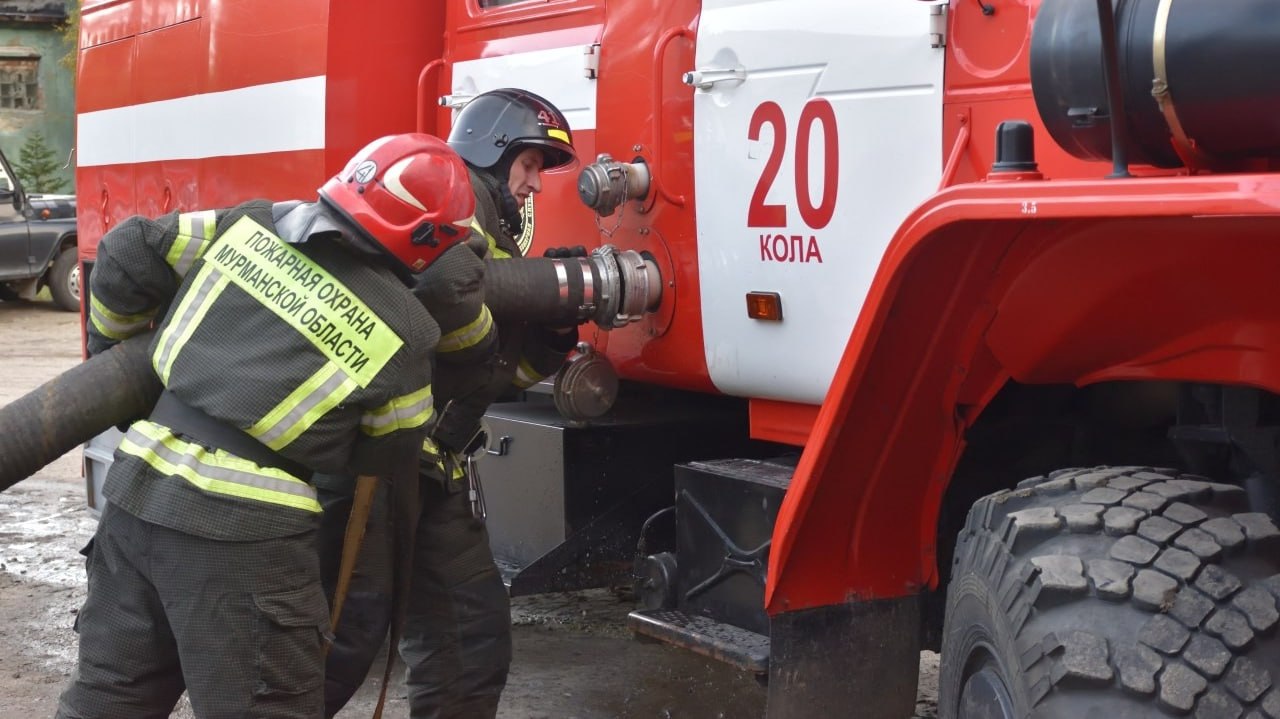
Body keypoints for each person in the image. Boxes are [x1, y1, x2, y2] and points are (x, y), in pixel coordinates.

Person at [56, 133, 477, 719]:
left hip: (135, 496)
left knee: (109, 700)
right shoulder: (408, 330)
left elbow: (127, 248)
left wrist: (113, 354)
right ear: (430, 239)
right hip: (245, 538)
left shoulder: (249, 225)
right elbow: (389, 453)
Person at [320, 88, 581, 719]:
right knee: (339, 645)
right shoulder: (451, 219)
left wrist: (553, 332)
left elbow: (495, 373)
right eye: (529, 165)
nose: (535, 184)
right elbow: (453, 308)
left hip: (433, 469)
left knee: (469, 641)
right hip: (375, 468)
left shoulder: (495, 242)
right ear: (493, 151)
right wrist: (548, 290)